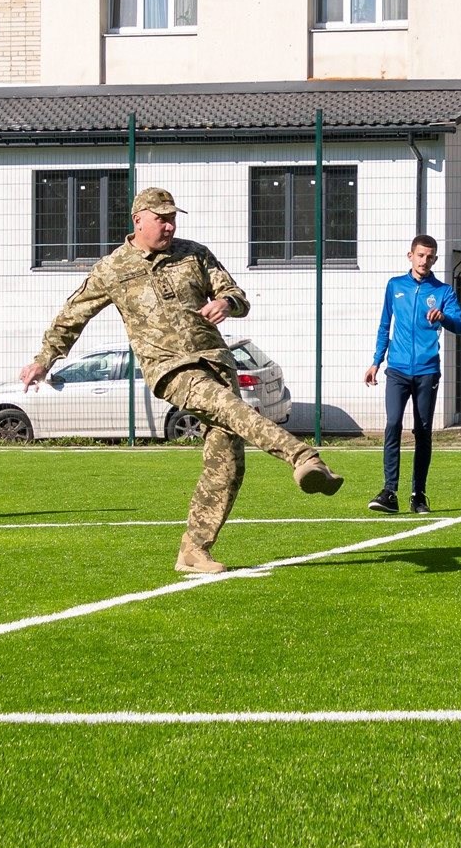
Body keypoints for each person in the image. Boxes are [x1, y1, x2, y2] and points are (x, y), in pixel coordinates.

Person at [20, 188, 343, 575]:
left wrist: (227, 303)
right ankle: (303, 458)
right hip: (171, 370)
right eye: (162, 218)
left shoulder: (194, 253)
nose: (170, 226)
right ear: (138, 219)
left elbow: (236, 294)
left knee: (226, 462)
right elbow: (73, 314)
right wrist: (45, 359)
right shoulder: (111, 268)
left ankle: (194, 551)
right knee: (234, 411)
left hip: (217, 361)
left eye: (173, 218)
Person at [364, 234, 461, 515]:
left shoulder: (443, 292)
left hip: (427, 372)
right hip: (396, 370)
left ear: (435, 259)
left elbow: (459, 325)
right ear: (410, 256)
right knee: (393, 424)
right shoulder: (395, 286)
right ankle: (389, 492)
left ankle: (418, 495)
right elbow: (385, 325)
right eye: (420, 255)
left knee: (422, 432)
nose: (425, 260)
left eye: (430, 256)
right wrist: (376, 362)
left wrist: (443, 317)